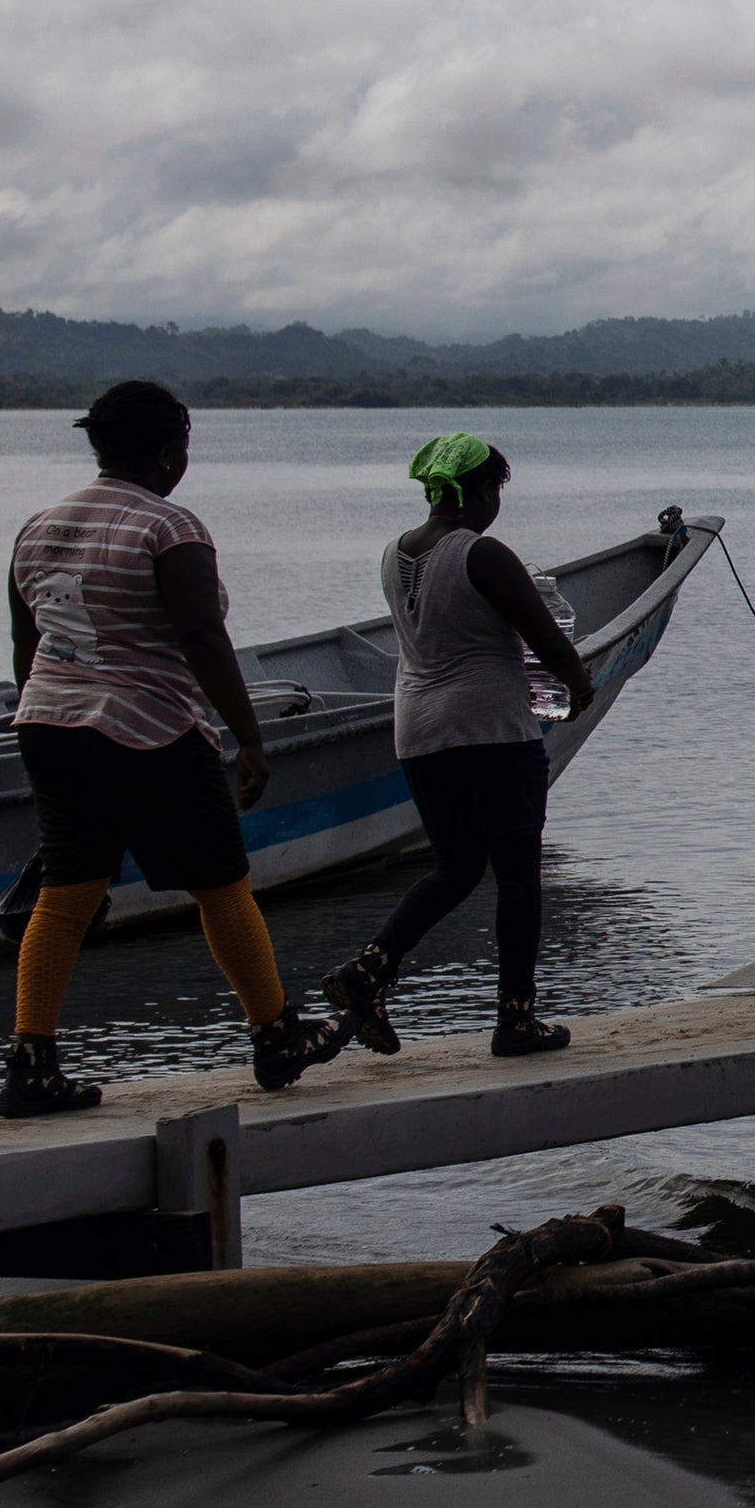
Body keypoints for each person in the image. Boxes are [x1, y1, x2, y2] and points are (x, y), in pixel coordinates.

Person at [8, 381, 337, 1096]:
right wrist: (248, 738)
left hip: (49, 724)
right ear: (168, 452)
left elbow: (25, 645)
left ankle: (31, 1064)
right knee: (221, 885)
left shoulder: (38, 527)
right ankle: (275, 1034)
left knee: (64, 896)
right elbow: (199, 637)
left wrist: (54, 724)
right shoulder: (169, 528)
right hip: (150, 729)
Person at [319, 435, 597, 1057]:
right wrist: (579, 686)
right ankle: (515, 1020)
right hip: (490, 730)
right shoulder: (483, 554)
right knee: (518, 873)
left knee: (457, 866)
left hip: (417, 730)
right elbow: (546, 638)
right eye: (495, 489)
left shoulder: (394, 552)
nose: (497, 501)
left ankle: (368, 970)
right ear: (477, 490)